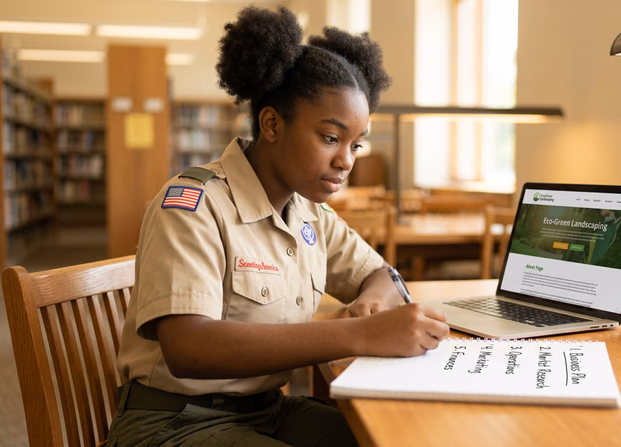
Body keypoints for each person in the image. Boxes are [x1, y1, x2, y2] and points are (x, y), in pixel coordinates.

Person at [107, 6, 450, 446]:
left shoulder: (307, 212)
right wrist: (359, 333)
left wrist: (369, 305)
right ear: (271, 124)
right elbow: (188, 348)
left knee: (396, 436)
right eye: (330, 138)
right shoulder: (193, 206)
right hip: (175, 425)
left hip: (265, 410)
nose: (346, 160)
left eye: (356, 145)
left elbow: (381, 274)